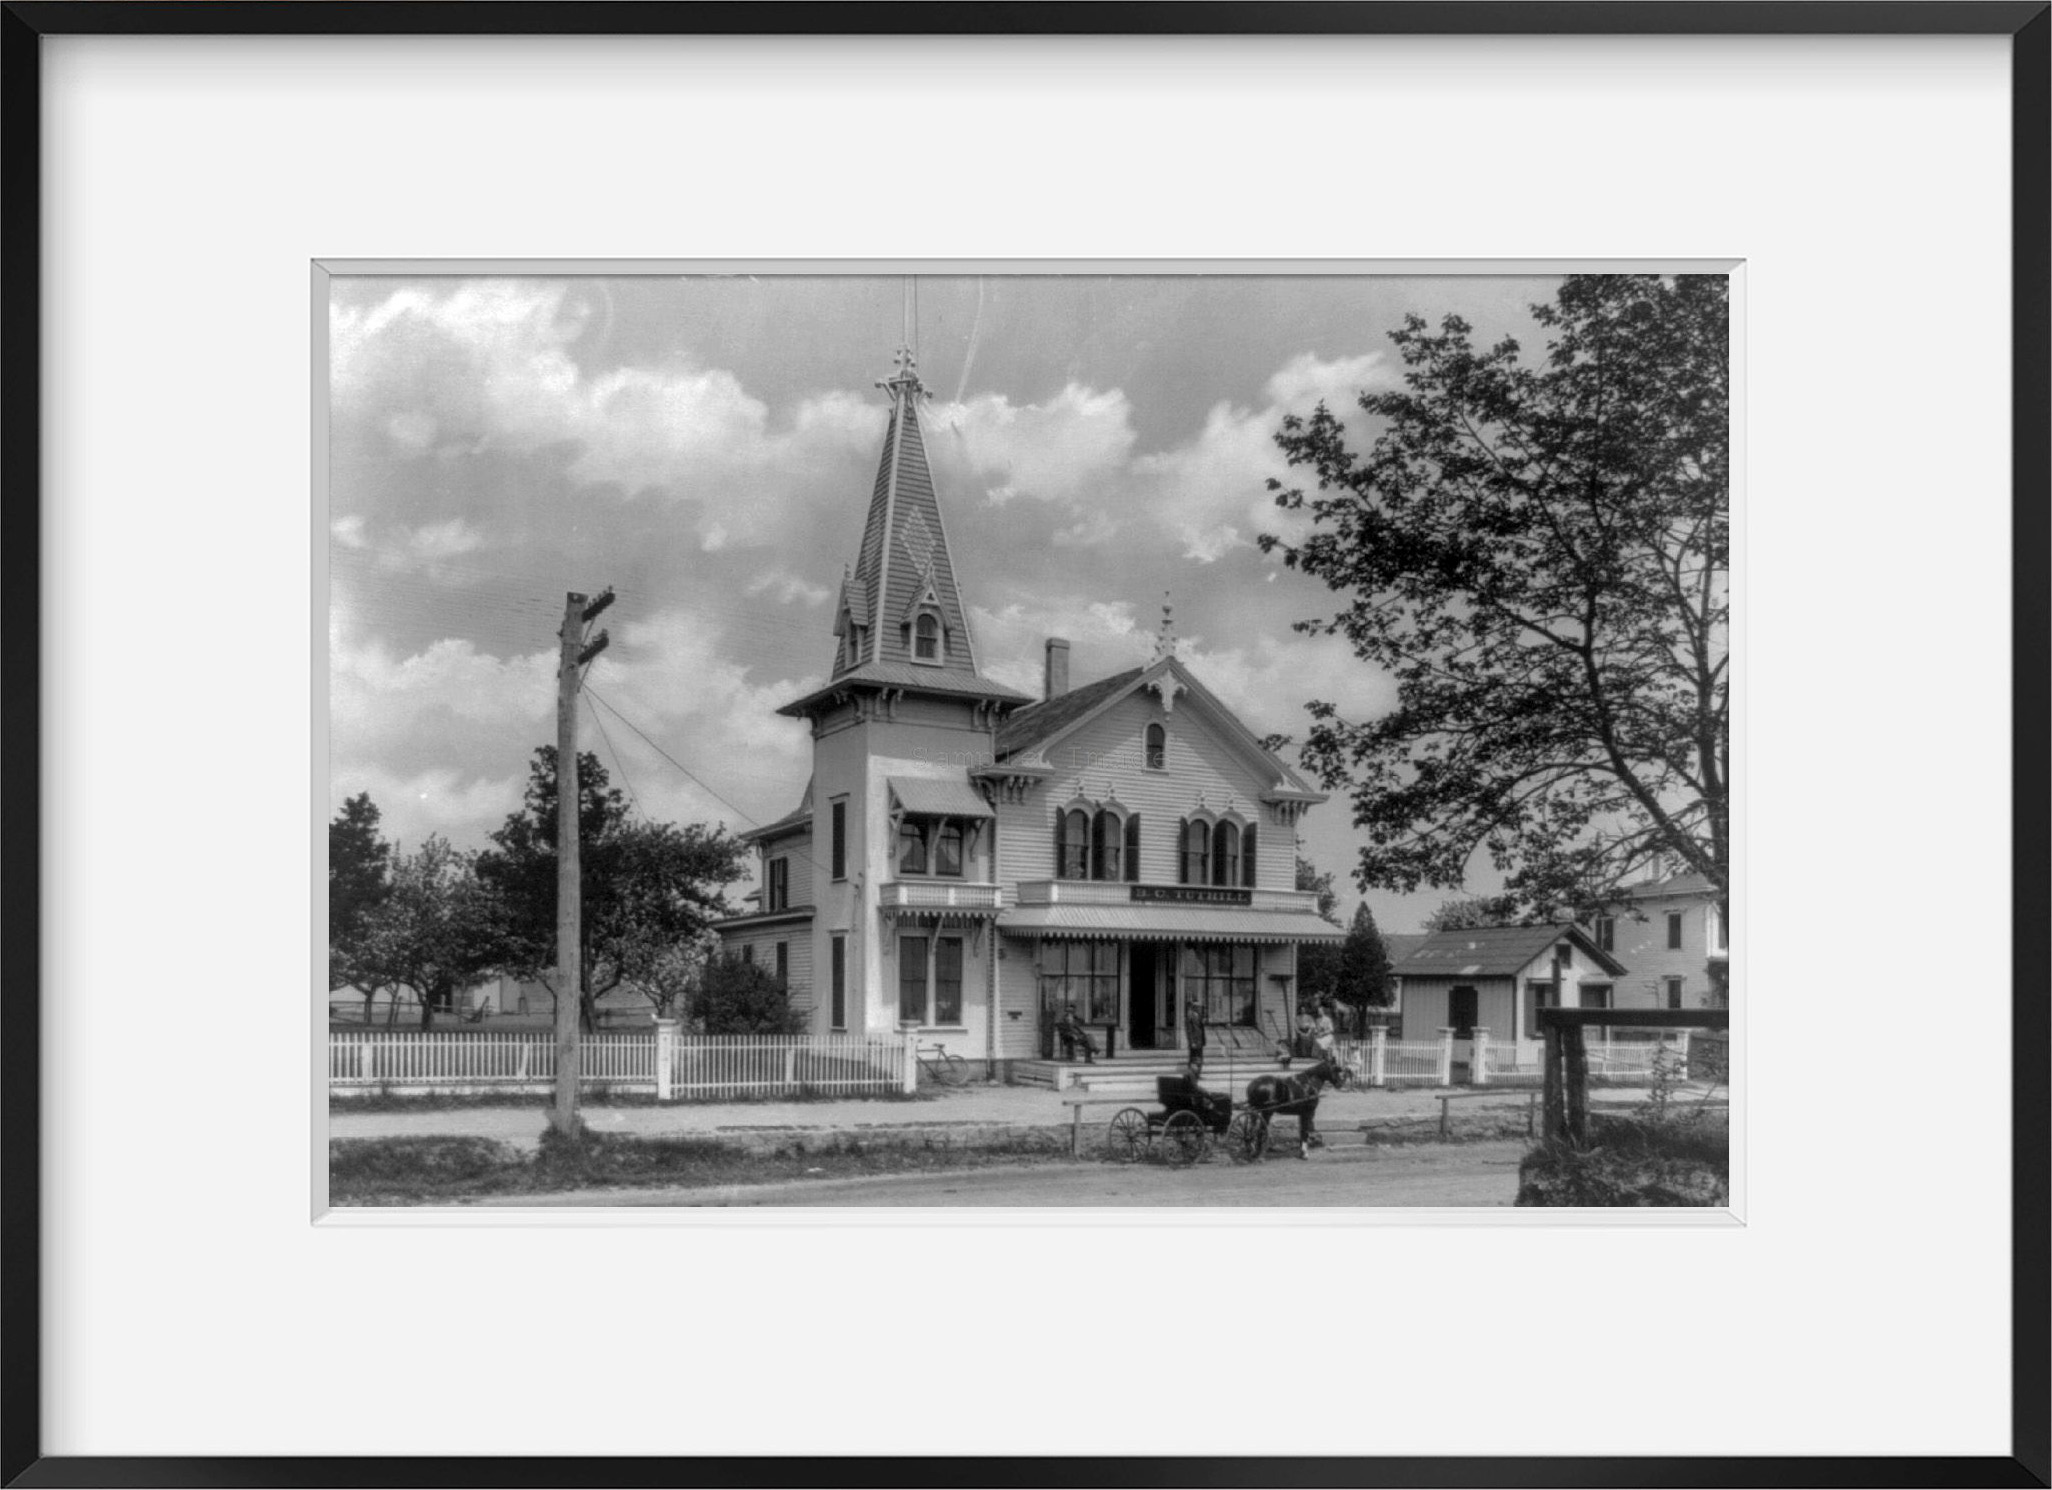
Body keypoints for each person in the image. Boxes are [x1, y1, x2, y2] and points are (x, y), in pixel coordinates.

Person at [1183, 993, 1207, 1076]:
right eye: (1197, 1006)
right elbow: (1189, 1030)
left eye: (1199, 1006)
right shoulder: (1190, 1016)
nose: (1198, 1007)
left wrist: (1203, 1022)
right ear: (1193, 1006)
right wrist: (1191, 1041)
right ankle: (1191, 1075)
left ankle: (1197, 1074)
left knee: (1199, 1059)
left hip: (1200, 1040)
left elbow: (1201, 1029)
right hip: (1194, 1041)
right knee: (1193, 1059)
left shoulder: (1199, 1016)